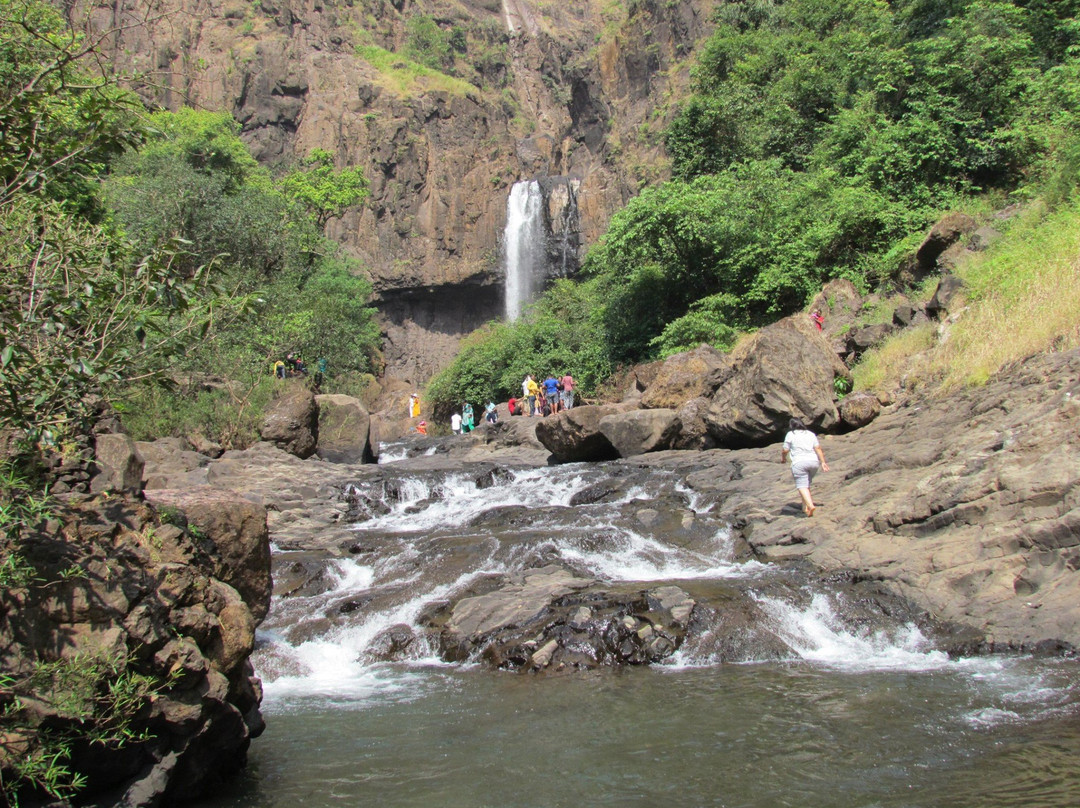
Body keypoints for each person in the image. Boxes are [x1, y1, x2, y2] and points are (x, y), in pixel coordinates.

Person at [781, 417, 829, 517]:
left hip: (799, 463)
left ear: (791, 426)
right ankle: (805, 507)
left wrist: (783, 458)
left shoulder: (791, 434)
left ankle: (810, 505)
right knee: (806, 484)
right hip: (813, 462)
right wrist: (823, 462)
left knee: (801, 486)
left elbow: (785, 450)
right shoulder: (810, 434)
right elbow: (818, 448)